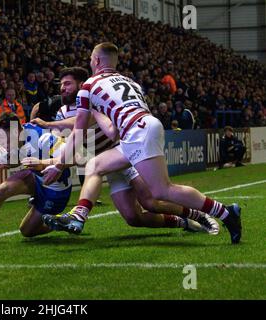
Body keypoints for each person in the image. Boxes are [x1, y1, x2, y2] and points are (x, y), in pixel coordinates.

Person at [42, 42, 241, 244]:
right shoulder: (131, 82)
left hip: (137, 131)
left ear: (96, 60)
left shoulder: (89, 86)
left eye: (91, 59)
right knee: (96, 166)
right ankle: (78, 215)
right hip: (138, 130)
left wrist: (58, 165)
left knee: (161, 192)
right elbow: (113, 132)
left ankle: (225, 212)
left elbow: (78, 130)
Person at [29, 67, 217, 233]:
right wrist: (48, 162)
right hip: (108, 163)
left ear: (81, 85)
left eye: (68, 84)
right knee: (133, 218)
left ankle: (199, 215)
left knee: (150, 201)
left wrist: (48, 124)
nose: (62, 88)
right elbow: (71, 146)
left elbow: (84, 122)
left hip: (126, 152)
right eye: (61, 84)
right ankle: (181, 223)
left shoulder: (95, 100)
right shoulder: (62, 112)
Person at [0, 112, 72, 244]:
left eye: (3, 138)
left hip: (56, 188)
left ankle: (62, 220)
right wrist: (10, 162)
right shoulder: (14, 141)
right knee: (3, 189)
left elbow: (75, 157)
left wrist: (42, 163)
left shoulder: (44, 138)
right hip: (36, 178)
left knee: (27, 231)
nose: (1, 143)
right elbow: (22, 158)